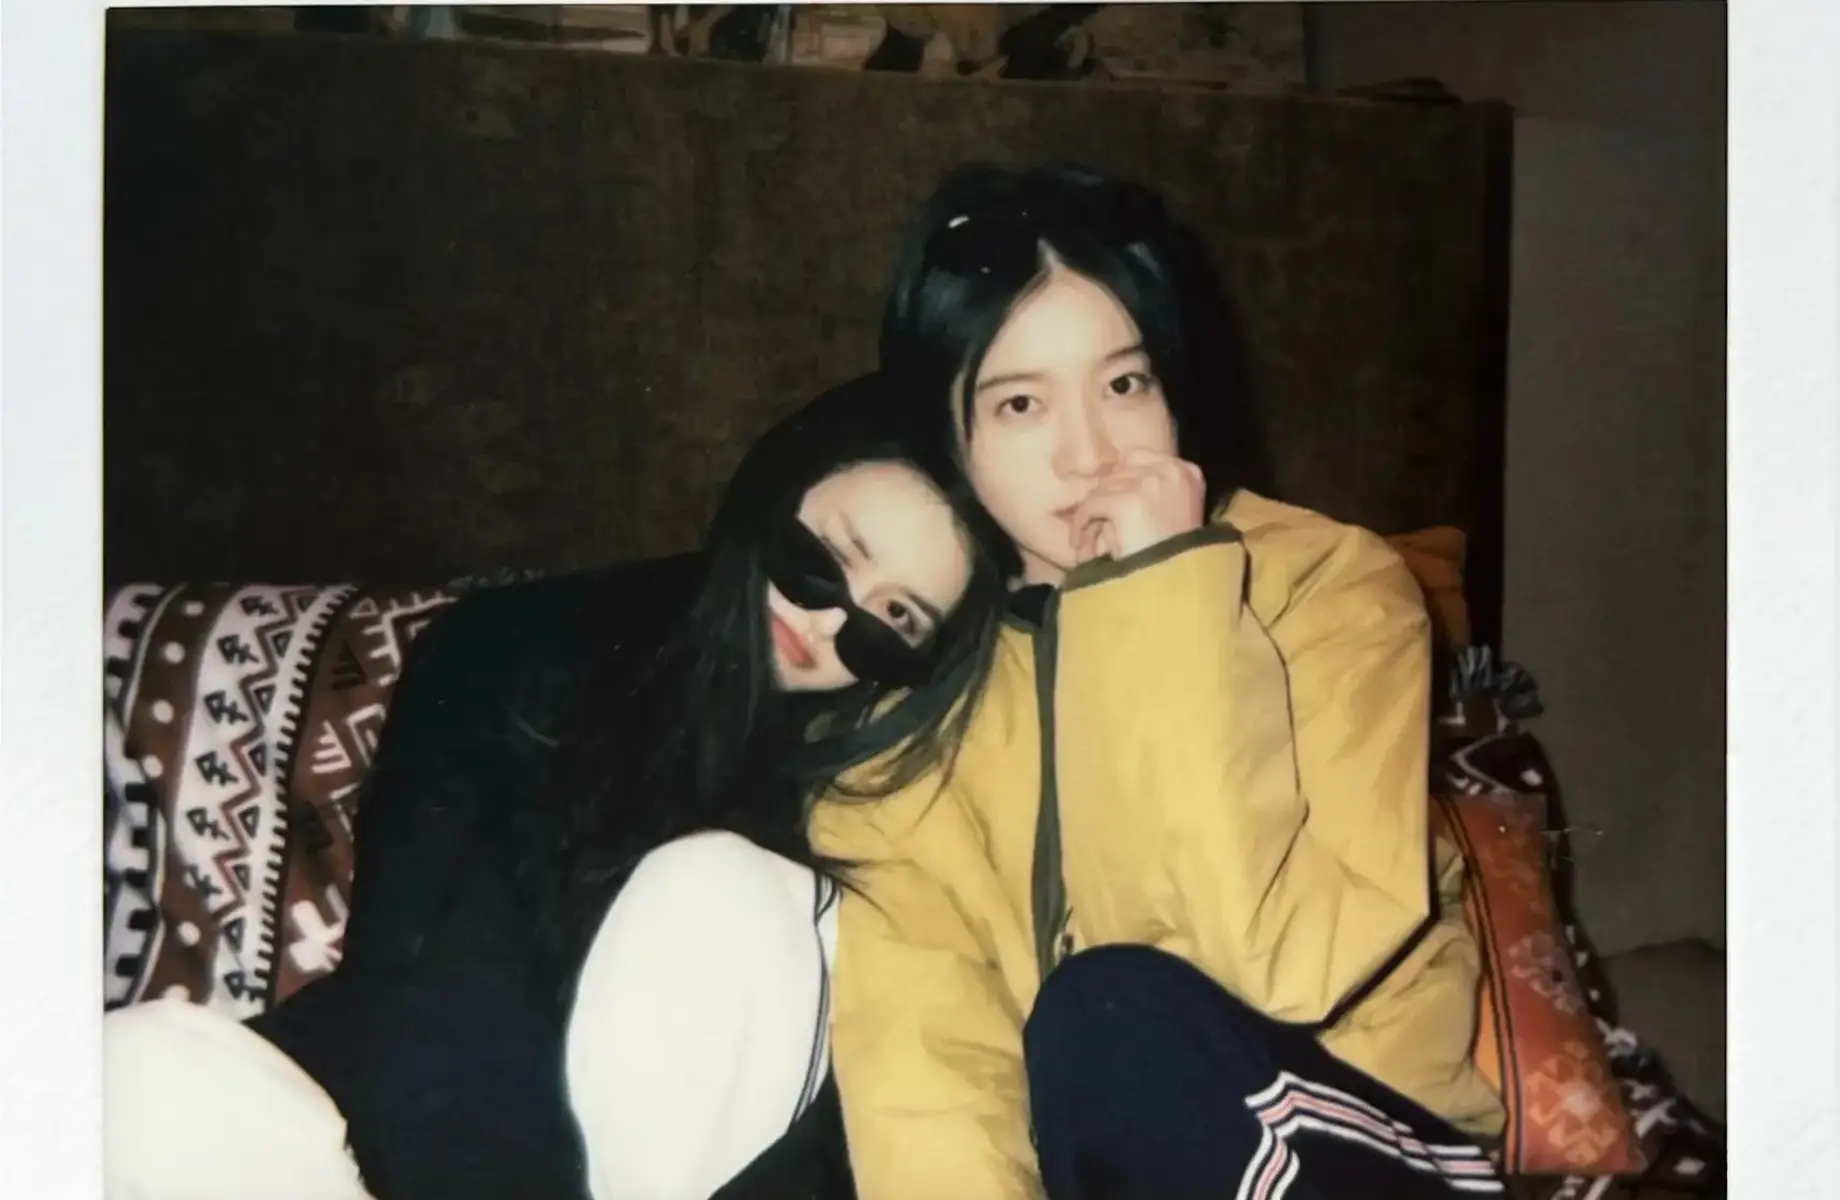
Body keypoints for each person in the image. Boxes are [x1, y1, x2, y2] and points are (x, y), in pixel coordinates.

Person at [103, 372, 1005, 1200]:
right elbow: (430, 980)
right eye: (828, 557)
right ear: (780, 486)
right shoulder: (515, 647)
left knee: (728, 884)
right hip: (403, 1121)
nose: (830, 621)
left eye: (892, 619)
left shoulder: (871, 790)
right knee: (138, 1069)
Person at [810, 162, 1509, 1200]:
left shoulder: (1330, 588)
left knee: (1104, 1016)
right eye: (1019, 404)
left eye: (1124, 385)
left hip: (1365, 1139)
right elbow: (930, 1081)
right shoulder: (906, 731)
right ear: (948, 436)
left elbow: (1282, 966)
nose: (1090, 454)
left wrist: (1159, 592)